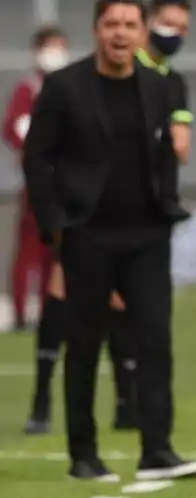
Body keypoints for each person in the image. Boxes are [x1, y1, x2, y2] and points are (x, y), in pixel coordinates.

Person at [22, 0, 196, 482]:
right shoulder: (65, 86)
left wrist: (167, 202)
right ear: (96, 30)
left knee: (155, 340)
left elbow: (166, 153)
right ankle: (83, 455)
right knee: (84, 344)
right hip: (87, 234)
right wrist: (54, 225)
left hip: (147, 234)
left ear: (142, 32)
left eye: (129, 24)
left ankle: (157, 451)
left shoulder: (158, 85)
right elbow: (37, 158)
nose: (120, 33)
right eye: (111, 24)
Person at [3, 26, 137, 436]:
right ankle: (43, 398)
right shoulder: (41, 90)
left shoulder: (112, 87)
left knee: (115, 294)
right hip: (63, 201)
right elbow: (28, 141)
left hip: (107, 201)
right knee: (57, 283)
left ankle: (125, 400)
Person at [3, 26, 67, 333]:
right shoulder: (28, 90)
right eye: (50, 47)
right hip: (38, 182)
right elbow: (14, 128)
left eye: (60, 47)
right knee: (30, 247)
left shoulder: (69, 89)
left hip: (65, 182)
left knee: (55, 252)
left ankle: (49, 309)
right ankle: (19, 311)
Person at [137, 0, 193, 165]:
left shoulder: (176, 83)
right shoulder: (123, 69)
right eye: (168, 24)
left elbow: (180, 146)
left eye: (183, 28)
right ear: (148, 21)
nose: (175, 33)